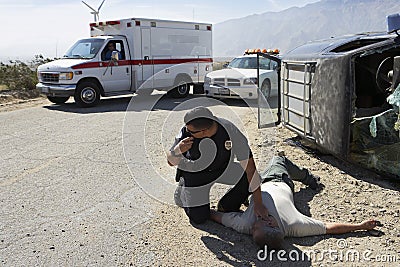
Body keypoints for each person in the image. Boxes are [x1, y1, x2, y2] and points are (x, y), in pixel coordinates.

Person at [209, 155, 381, 249]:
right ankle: (309, 178)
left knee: (243, 179)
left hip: (255, 187)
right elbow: (329, 228)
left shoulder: (246, 224)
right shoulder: (296, 225)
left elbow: (216, 216)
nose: (255, 222)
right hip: (278, 179)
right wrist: (360, 226)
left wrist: (198, 210)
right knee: (279, 159)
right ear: (272, 224)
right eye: (260, 223)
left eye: (253, 227)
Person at [167, 106, 269, 224]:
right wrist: (177, 150)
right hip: (195, 175)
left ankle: (226, 204)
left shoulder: (230, 131)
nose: (187, 131)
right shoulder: (187, 131)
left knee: (250, 178)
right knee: (200, 218)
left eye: (191, 131)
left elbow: (250, 169)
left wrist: (259, 203)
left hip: (222, 169)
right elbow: (170, 161)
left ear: (204, 131)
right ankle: (183, 190)